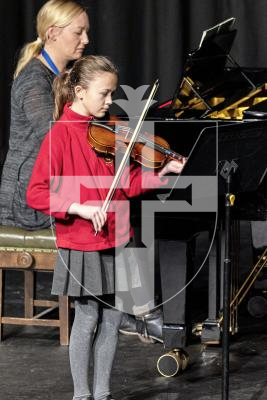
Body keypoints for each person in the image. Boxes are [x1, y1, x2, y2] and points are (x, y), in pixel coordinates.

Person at [26, 55, 185, 400]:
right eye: (105, 94)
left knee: (113, 318)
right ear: (80, 92)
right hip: (82, 242)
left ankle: (103, 393)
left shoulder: (109, 132)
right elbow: (36, 192)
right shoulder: (60, 135)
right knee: (86, 317)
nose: (111, 102)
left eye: (112, 94)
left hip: (117, 236)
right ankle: (81, 395)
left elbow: (124, 183)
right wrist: (78, 207)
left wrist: (160, 175)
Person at [0, 0, 89, 229]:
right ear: (52, 33)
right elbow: (56, 139)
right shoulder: (34, 81)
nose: (86, 40)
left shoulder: (66, 76)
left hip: (55, 184)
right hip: (28, 199)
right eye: (79, 32)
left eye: (86, 32)